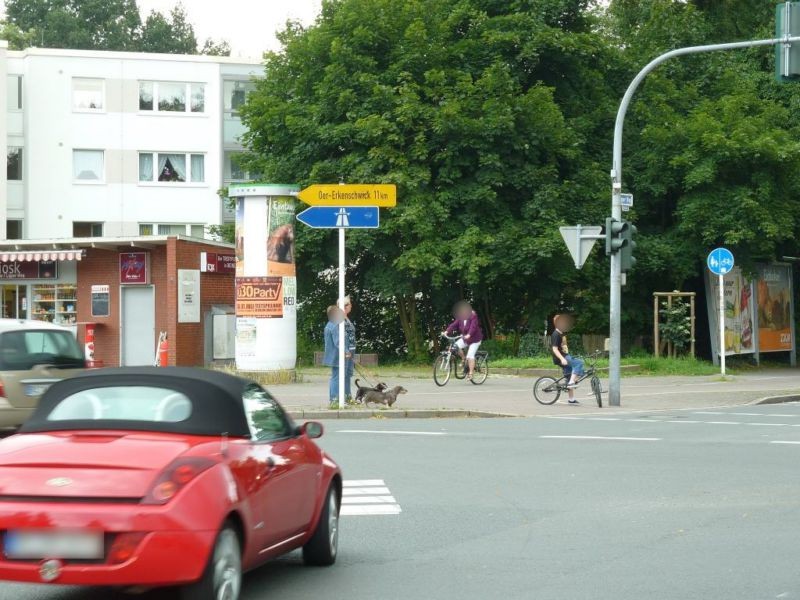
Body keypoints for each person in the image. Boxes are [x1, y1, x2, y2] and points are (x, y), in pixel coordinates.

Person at [444, 301, 483, 380]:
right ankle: (463, 358)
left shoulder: (473, 316)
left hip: (475, 339)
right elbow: (454, 325)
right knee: (455, 346)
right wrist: (447, 331)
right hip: (466, 338)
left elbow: (473, 327)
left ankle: (471, 373)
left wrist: (469, 334)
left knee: (470, 355)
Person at [551, 314, 584, 404]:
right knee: (579, 363)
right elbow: (554, 349)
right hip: (561, 358)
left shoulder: (562, 334)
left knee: (571, 375)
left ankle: (571, 399)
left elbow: (564, 347)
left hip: (565, 356)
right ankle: (571, 383)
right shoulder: (556, 334)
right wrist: (562, 359)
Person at [323, 305, 348, 407]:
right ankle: (334, 399)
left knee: (334, 377)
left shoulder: (329, 325)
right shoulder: (334, 326)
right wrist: (346, 351)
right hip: (336, 355)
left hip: (332, 355)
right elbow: (338, 342)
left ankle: (334, 398)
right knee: (336, 378)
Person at [343, 295, 356, 402]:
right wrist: (346, 350)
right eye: (350, 304)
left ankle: (348, 396)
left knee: (348, 374)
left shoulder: (346, 318)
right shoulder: (342, 319)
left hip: (351, 348)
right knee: (345, 374)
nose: (351, 306)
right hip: (347, 349)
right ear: (346, 306)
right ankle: (347, 397)